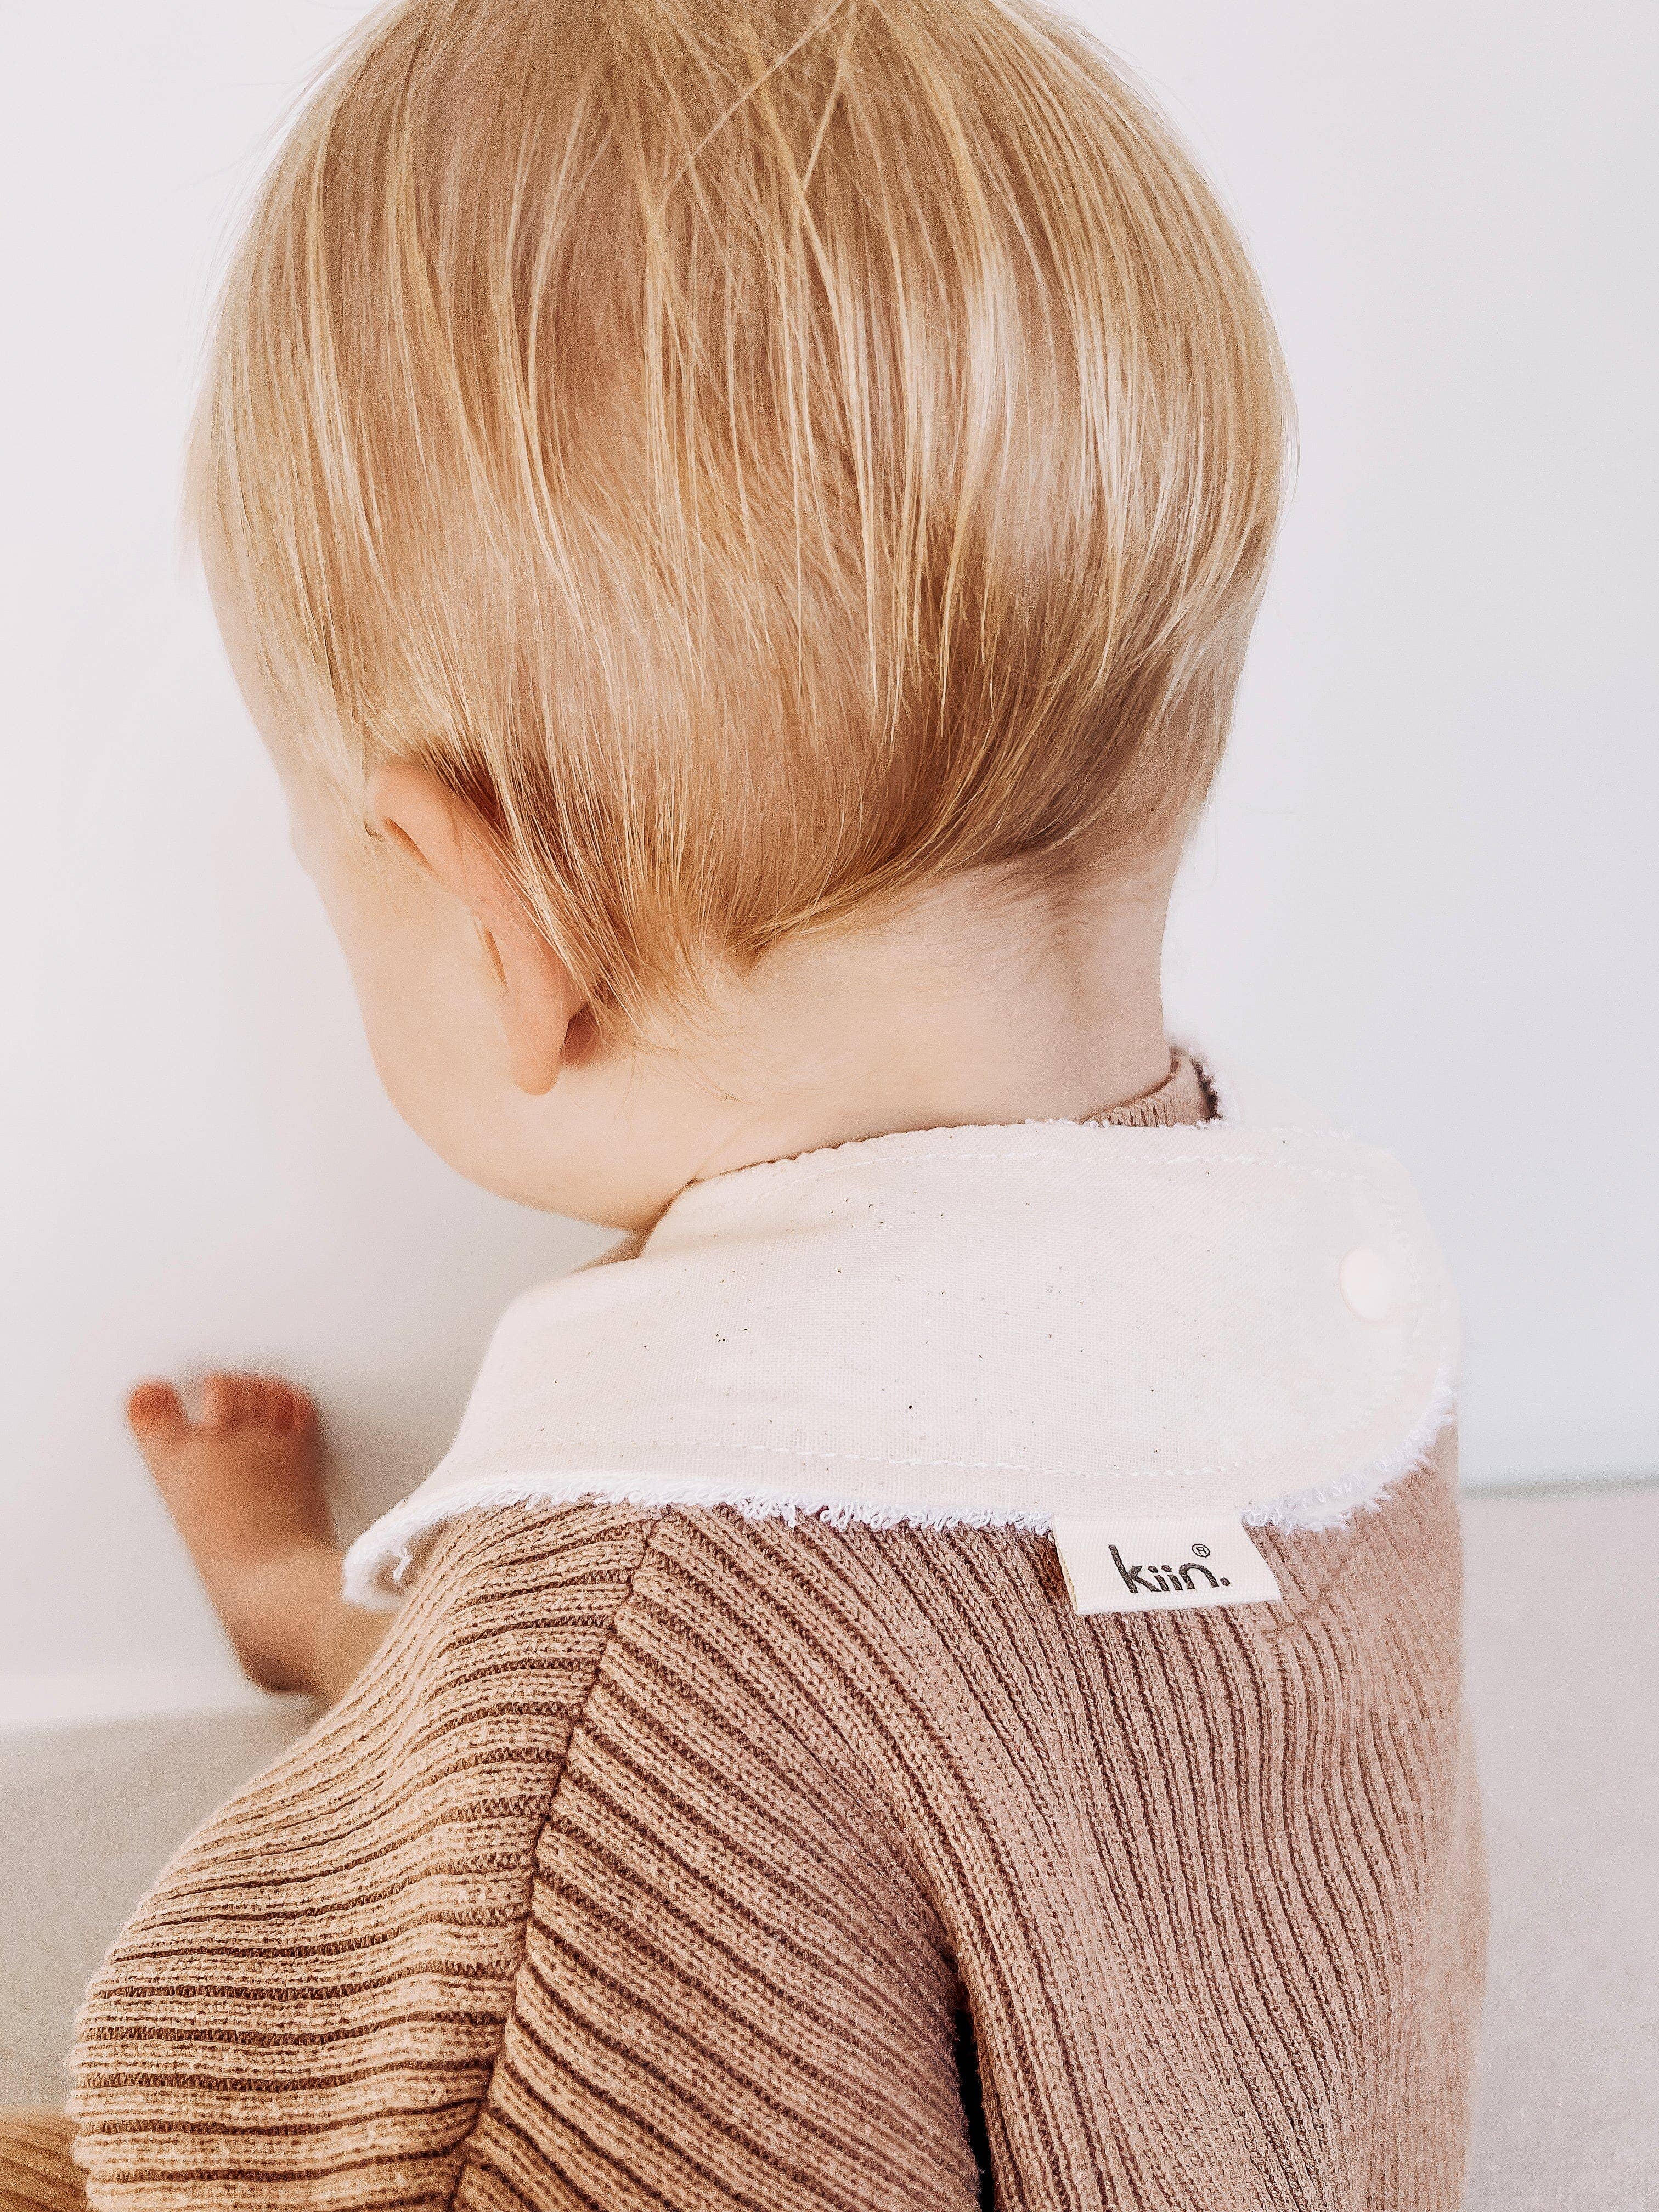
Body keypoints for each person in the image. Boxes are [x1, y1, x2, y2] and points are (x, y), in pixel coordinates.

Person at [1, 0, 1484, 2204]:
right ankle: (332, 1631)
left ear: (494, 930)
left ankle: (370, 1689)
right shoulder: (1322, 1326)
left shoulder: (609, 1695)